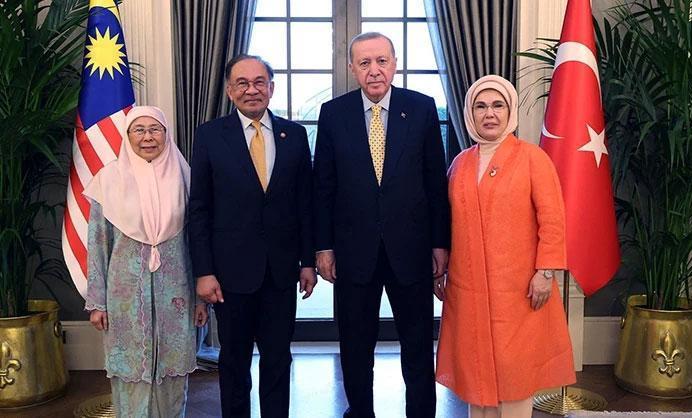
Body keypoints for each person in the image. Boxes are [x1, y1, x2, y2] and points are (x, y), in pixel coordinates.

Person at [313, 32, 450, 418]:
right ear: (352, 68)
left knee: (417, 345)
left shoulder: (421, 108)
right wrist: (323, 247)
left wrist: (440, 244)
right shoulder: (333, 113)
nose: (374, 70)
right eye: (364, 63)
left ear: (394, 64)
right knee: (355, 346)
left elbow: (435, 183)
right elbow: (323, 187)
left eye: (381, 61)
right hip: (353, 252)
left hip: (412, 250)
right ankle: (360, 412)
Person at [434, 75, 576, 418]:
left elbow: (552, 219)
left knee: (514, 375)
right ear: (470, 113)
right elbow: (448, 225)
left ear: (510, 110)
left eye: (498, 105)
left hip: (519, 291)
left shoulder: (532, 158)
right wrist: (443, 269)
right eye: (481, 106)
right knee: (476, 373)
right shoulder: (459, 164)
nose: (490, 114)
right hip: (468, 289)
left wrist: (545, 272)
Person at [188, 54, 316, 418]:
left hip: (280, 271)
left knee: (278, 359)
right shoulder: (209, 135)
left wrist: (307, 262)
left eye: (259, 82)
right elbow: (199, 209)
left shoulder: (295, 136)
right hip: (230, 274)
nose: (251, 90)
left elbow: (305, 205)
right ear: (230, 90)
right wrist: (204, 271)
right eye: (242, 83)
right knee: (234, 361)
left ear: (271, 88)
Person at [84, 105, 208, 417]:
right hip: (124, 298)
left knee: (173, 372)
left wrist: (200, 299)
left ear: (167, 134)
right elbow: (97, 244)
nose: (148, 137)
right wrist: (97, 302)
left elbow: (197, 243)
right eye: (139, 130)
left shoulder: (186, 178)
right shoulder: (108, 180)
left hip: (177, 295)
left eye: (155, 130)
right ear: (127, 136)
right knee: (130, 373)